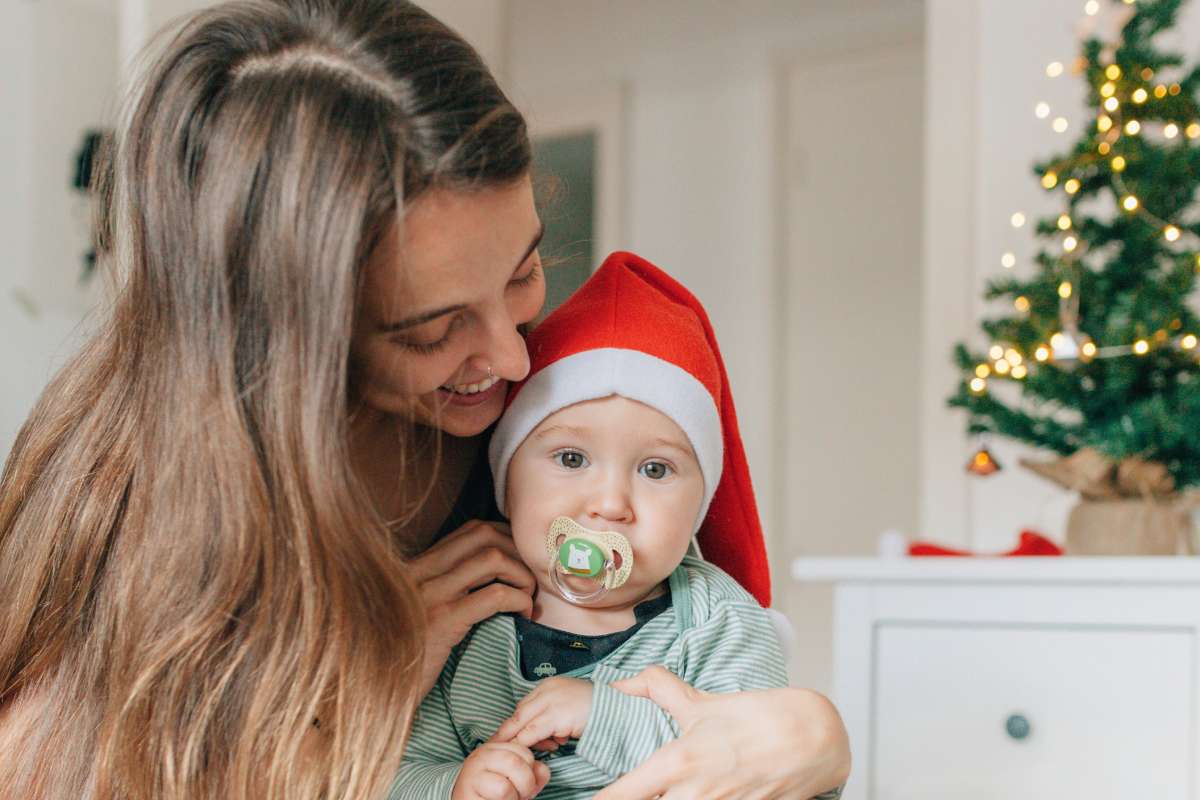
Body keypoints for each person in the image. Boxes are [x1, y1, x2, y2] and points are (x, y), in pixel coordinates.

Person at [0, 1, 850, 798]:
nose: (514, 354)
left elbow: (715, 660)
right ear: (284, 341)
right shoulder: (120, 502)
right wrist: (372, 679)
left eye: (522, 271)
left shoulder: (527, 433)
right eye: (431, 329)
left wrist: (814, 735)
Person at [392, 251, 843, 800]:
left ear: (700, 504)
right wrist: (455, 786)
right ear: (507, 483)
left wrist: (602, 716)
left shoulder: (715, 621)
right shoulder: (469, 620)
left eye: (655, 469)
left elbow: (752, 771)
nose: (609, 504)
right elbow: (395, 772)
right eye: (571, 459)